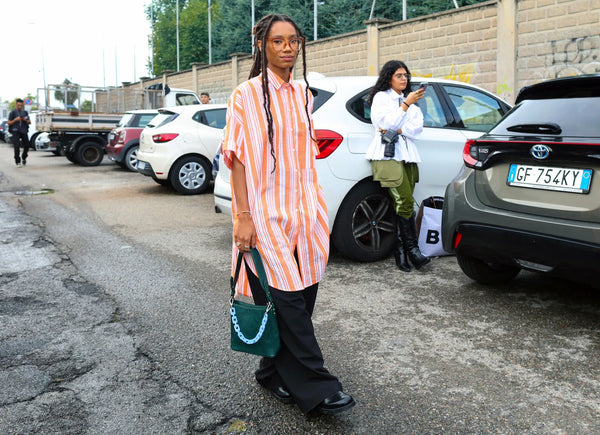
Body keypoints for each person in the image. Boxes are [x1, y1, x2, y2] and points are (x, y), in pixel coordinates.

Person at [222, 13, 355, 416]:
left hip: (305, 210)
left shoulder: (302, 93)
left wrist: (317, 205)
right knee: (286, 298)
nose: (287, 48)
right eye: (278, 41)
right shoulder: (244, 95)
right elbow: (238, 160)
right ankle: (318, 385)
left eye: (293, 40)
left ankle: (270, 370)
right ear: (261, 45)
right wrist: (242, 216)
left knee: (307, 289)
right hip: (264, 212)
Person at [366, 60, 431, 272]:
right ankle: (413, 250)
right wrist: (405, 107)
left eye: (406, 76)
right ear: (389, 78)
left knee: (404, 204)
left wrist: (400, 128)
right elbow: (384, 126)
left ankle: (401, 249)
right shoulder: (382, 98)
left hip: (409, 155)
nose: (404, 79)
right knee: (404, 201)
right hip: (388, 156)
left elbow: (417, 129)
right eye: (399, 75)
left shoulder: (408, 99)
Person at [7, 99, 31, 167]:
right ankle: (17, 161)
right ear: (16, 104)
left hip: (23, 130)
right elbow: (9, 123)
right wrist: (15, 120)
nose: (19, 107)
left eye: (21, 105)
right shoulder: (12, 112)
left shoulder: (25, 112)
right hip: (15, 130)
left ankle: (24, 157)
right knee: (16, 146)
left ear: (22, 105)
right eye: (18, 105)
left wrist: (25, 120)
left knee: (27, 145)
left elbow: (29, 122)